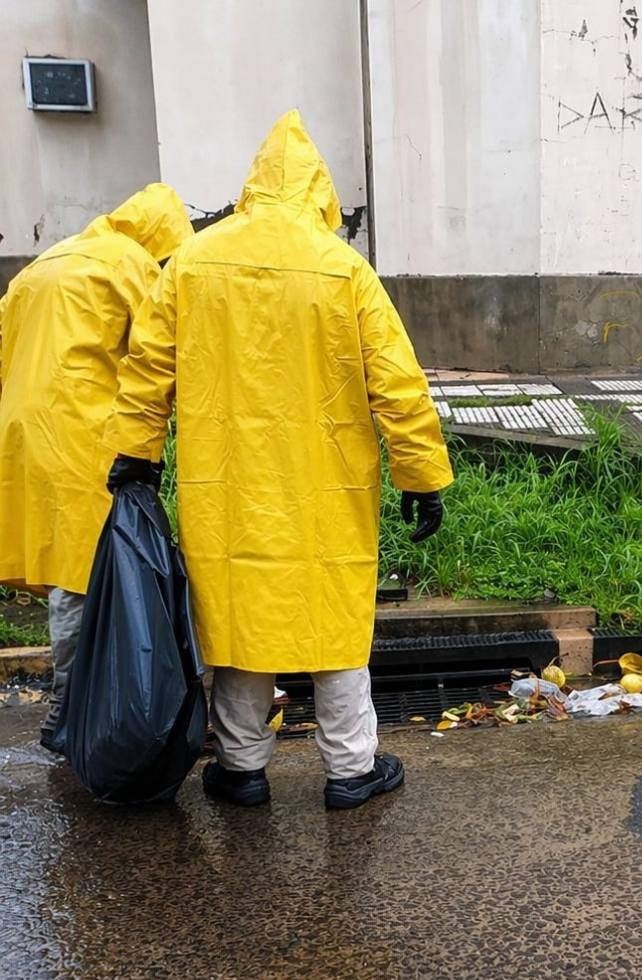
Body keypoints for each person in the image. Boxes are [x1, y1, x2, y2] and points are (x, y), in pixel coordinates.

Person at [103, 110, 453, 809]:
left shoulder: (193, 262)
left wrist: (136, 455)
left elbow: (147, 369)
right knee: (333, 620)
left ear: (253, 185)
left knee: (239, 617)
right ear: (319, 191)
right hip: (328, 487)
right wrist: (420, 476)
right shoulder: (344, 268)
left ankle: (240, 767)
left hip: (226, 484)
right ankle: (351, 770)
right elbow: (397, 382)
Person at [0, 185, 193, 750]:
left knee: (65, 564)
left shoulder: (42, 265)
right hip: (86, 434)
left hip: (24, 435)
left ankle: (77, 704)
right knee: (86, 576)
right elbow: (159, 354)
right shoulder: (132, 266)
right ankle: (69, 709)